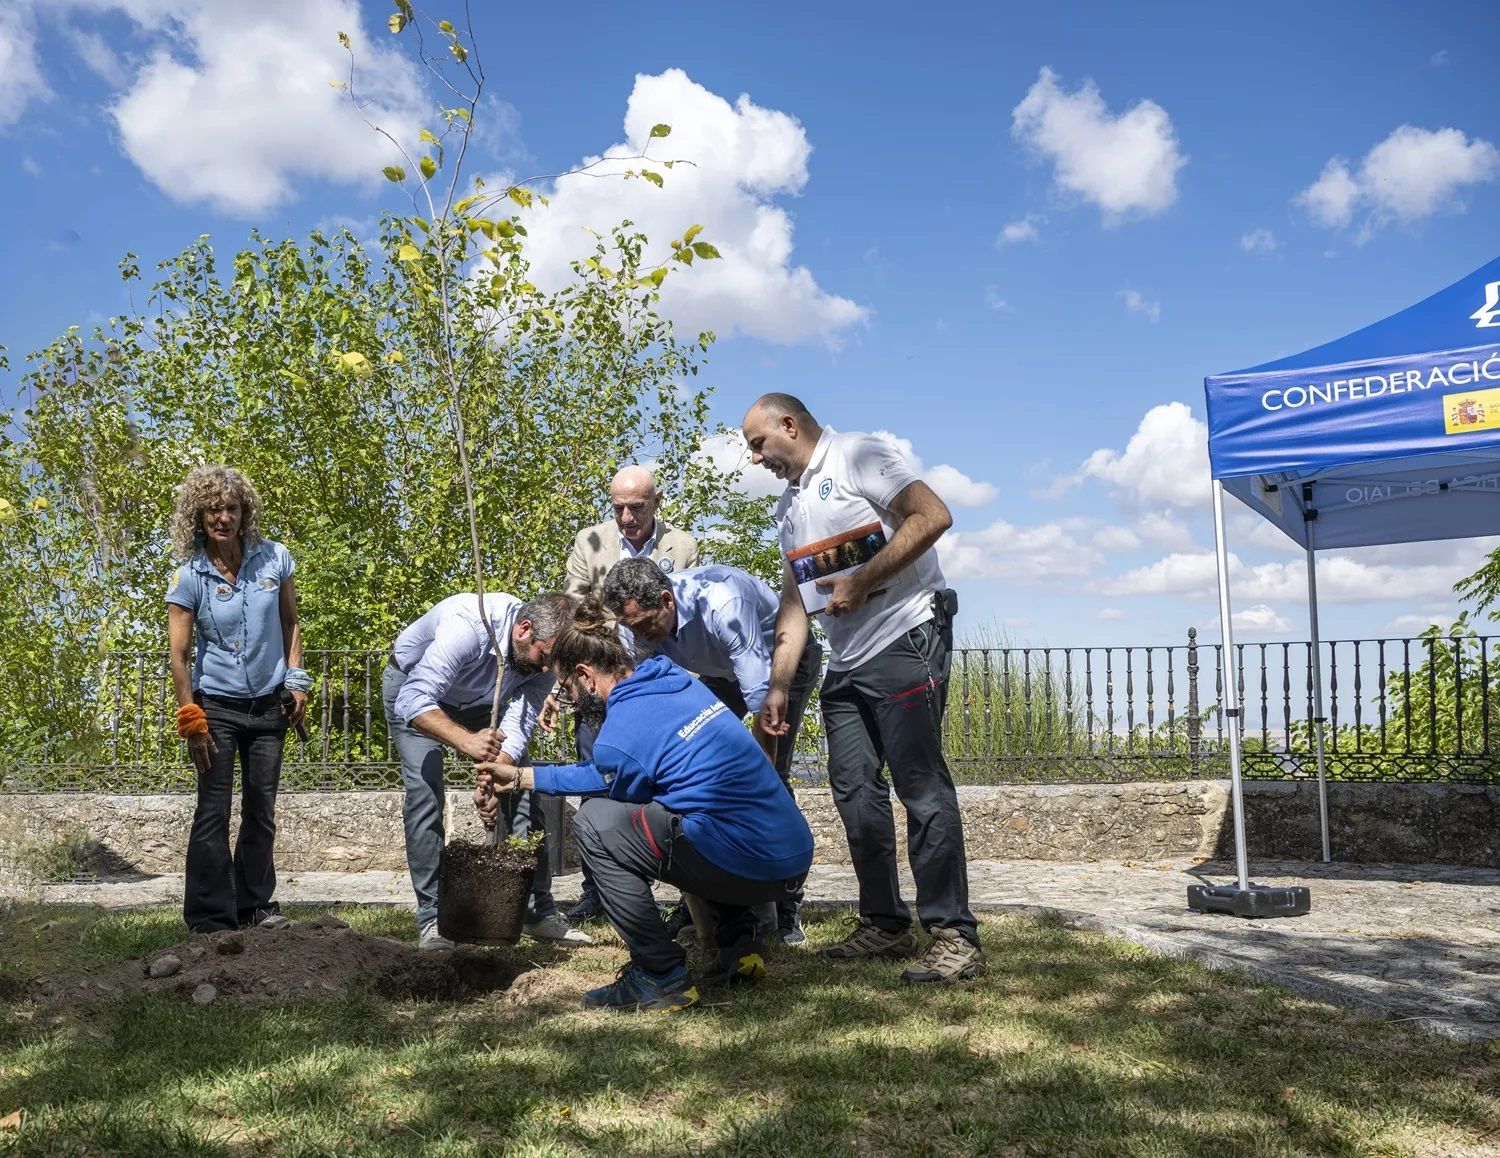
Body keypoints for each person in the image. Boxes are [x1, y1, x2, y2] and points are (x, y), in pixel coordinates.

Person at [741, 392, 984, 984]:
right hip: (845, 662)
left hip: (905, 638)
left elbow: (934, 516)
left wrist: (866, 576)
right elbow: (797, 603)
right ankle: (884, 923)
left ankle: (954, 936)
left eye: (758, 444)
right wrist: (777, 686)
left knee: (920, 788)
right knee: (853, 790)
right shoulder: (788, 507)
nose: (756, 458)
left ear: (789, 425)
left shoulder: (859, 455)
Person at [476, 600, 813, 1012]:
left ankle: (659, 973)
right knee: (691, 811)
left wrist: (526, 777)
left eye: (567, 690)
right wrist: (524, 776)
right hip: (791, 859)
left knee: (597, 823)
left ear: (585, 674)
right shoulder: (676, 680)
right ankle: (739, 948)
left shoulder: (622, 728)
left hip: (748, 865)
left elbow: (603, 779)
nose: (571, 701)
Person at [602, 557, 822, 943]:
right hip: (721, 672)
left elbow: (760, 706)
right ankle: (701, 902)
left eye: (644, 626)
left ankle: (785, 909)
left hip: (782, 663)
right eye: (629, 627)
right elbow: (646, 698)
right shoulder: (635, 625)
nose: (639, 637)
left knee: (773, 777)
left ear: (668, 601)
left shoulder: (724, 603)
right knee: (691, 773)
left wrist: (760, 784)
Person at [383, 591, 589, 950]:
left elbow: (521, 720)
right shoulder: (468, 627)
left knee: (523, 790)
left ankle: (535, 909)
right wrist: (467, 742)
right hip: (417, 696)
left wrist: (495, 777)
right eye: (547, 658)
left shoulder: (544, 660)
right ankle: (433, 918)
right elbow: (413, 699)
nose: (548, 670)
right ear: (524, 630)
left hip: (480, 700)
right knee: (425, 794)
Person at [166, 465, 310, 934]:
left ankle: (255, 908)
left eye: (231, 508)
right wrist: (193, 722)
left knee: (260, 808)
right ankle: (210, 918)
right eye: (213, 510)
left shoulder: (274, 559)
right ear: (199, 517)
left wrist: (297, 680)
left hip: (269, 706)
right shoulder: (190, 576)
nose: (223, 518)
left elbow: (291, 623)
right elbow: (180, 655)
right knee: (213, 810)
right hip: (217, 710)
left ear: (243, 511)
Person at [557, 465, 699, 923]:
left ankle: (687, 898)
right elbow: (574, 614)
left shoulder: (683, 546)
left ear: (657, 501)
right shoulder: (589, 542)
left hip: (661, 688)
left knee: (672, 789)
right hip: (603, 688)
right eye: (617, 507)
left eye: (635, 507)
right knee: (596, 781)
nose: (625, 517)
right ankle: (596, 891)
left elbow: (686, 613)